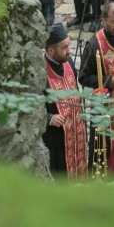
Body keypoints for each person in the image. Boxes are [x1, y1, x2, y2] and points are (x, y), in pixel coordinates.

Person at [79, 1, 114, 169]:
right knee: (104, 156)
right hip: (105, 111)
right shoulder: (94, 45)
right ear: (104, 21)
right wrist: (109, 82)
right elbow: (84, 78)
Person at [42, 23, 88, 180]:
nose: (70, 51)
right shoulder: (40, 73)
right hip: (55, 140)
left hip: (76, 133)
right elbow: (32, 107)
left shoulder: (69, 63)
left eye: (69, 45)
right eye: (64, 48)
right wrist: (49, 118)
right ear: (50, 50)